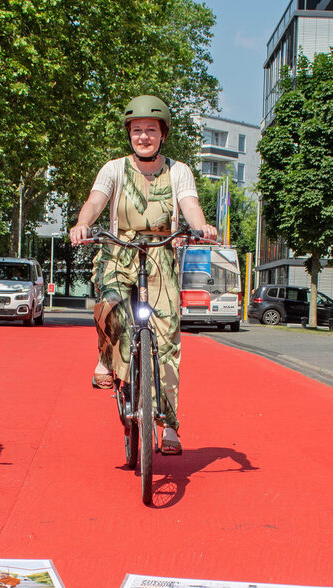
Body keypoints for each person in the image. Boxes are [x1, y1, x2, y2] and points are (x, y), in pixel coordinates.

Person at [68, 95, 218, 455]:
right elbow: (95, 200)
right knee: (110, 306)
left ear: (162, 134)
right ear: (129, 134)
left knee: (166, 338)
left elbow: (190, 205)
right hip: (119, 252)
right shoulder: (114, 169)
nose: (143, 136)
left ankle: (168, 426)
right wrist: (82, 223)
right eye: (137, 130)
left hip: (161, 256)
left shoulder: (178, 171)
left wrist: (201, 226)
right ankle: (107, 358)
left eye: (151, 130)